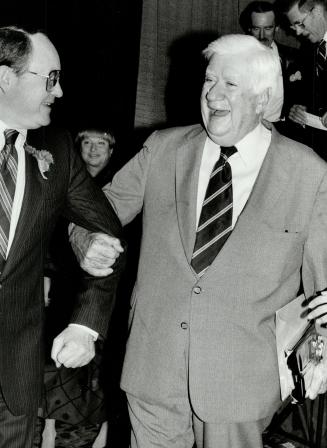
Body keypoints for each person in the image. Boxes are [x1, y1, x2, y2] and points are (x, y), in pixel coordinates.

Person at [71, 34, 327, 448]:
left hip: (241, 379)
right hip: (153, 366)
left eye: (230, 84)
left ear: (262, 99)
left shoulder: (308, 172)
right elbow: (94, 210)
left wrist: (321, 348)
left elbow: (324, 283)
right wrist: (83, 238)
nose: (213, 94)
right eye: (209, 80)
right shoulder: (162, 148)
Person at [0, 26, 124, 448]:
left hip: (13, 383)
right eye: (50, 78)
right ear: (6, 78)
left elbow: (107, 234)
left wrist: (86, 324)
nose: (60, 91)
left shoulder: (56, 148)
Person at [41, 127, 117, 448]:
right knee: (54, 391)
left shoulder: (121, 189)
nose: (94, 150)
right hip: (62, 298)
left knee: (95, 399)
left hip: (106, 307)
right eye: (87, 142)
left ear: (112, 151)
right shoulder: (58, 183)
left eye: (102, 144)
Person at [275, 0, 327, 159]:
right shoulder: (311, 49)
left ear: (316, 11)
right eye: (293, 26)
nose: (297, 32)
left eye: (300, 23)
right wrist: (303, 112)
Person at [239, 1, 298, 124]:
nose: (262, 35)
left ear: (276, 27)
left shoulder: (292, 57)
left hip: (281, 131)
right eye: (256, 28)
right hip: (245, 129)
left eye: (268, 28)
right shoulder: (236, 57)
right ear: (249, 28)